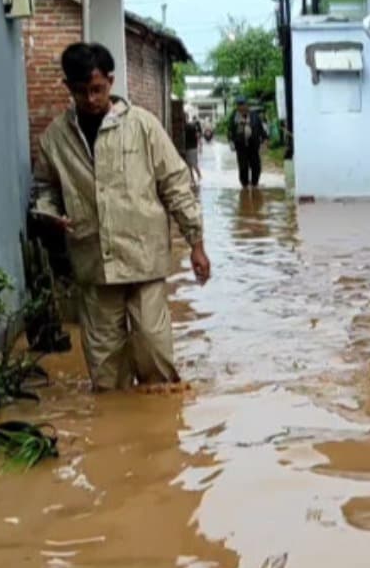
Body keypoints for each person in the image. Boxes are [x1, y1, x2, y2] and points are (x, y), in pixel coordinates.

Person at [31, 42, 211, 391]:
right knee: (106, 371)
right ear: (68, 88)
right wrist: (50, 213)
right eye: (82, 91)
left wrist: (197, 244)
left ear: (110, 83)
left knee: (155, 355)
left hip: (143, 259)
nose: (91, 99)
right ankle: (116, 427)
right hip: (93, 261)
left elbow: (176, 184)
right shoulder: (56, 138)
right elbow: (44, 189)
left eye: (97, 90)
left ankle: (159, 432)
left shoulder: (143, 126)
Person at [228, 97, 268, 189]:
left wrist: (265, 139)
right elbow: (230, 131)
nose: (240, 107)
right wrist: (231, 142)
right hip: (240, 146)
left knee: (256, 166)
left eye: (242, 104)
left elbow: (260, 128)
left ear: (246, 105)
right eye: (238, 105)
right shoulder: (234, 116)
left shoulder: (254, 115)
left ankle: (255, 184)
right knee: (243, 166)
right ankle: (244, 186)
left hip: (253, 145)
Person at [183, 116, 203, 189]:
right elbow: (198, 136)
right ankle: (193, 179)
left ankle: (199, 177)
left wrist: (200, 146)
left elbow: (197, 136)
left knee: (193, 164)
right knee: (189, 165)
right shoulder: (189, 126)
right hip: (190, 148)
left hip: (192, 148)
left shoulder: (189, 127)